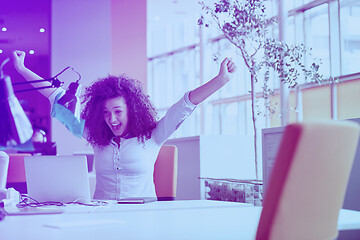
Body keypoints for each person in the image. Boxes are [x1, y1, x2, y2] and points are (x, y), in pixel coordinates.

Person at [12, 50, 236, 200]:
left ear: (133, 110)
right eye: (106, 113)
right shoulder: (95, 135)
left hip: (144, 220)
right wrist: (22, 69)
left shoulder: (154, 135)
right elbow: (58, 98)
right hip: (102, 219)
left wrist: (221, 80)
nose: (112, 119)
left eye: (118, 111)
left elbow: (186, 104)